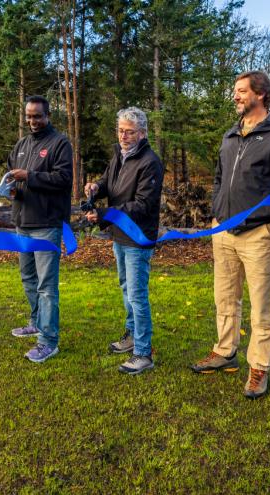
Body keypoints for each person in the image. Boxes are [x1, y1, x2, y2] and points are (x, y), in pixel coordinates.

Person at [190, 71, 270, 400]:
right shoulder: (230, 135)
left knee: (262, 305)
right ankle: (225, 351)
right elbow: (219, 178)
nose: (235, 96)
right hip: (222, 229)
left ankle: (259, 367)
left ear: (261, 94)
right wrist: (215, 211)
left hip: (260, 233)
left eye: (241, 91)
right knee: (224, 297)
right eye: (235, 91)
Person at [84, 107, 163, 375]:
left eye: (129, 132)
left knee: (138, 295)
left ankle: (143, 352)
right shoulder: (119, 155)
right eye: (120, 130)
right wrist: (96, 186)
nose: (124, 136)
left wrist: (104, 214)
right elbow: (108, 183)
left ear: (142, 133)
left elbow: (142, 204)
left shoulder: (150, 162)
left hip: (137, 237)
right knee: (126, 288)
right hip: (119, 234)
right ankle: (131, 337)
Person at [7, 95, 73, 363]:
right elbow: (11, 176)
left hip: (46, 225)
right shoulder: (21, 145)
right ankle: (36, 322)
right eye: (29, 116)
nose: (32, 121)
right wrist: (11, 189)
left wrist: (29, 177)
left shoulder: (60, 143)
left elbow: (63, 179)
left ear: (48, 116)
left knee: (47, 286)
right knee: (28, 279)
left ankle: (48, 340)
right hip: (22, 223)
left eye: (37, 116)